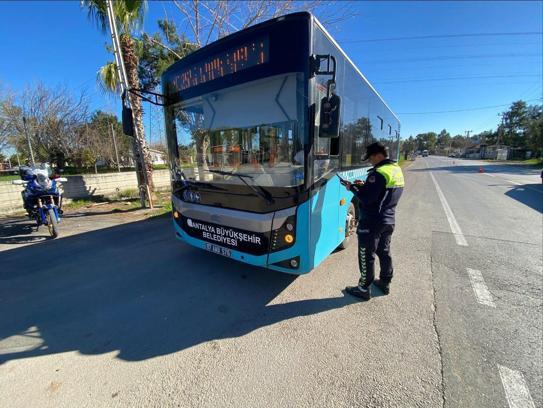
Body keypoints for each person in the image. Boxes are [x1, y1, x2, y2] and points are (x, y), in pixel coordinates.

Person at [341, 142, 405, 301]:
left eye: (370, 158)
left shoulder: (378, 173)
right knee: (384, 251)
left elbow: (367, 198)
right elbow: (382, 192)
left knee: (366, 254)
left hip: (372, 222)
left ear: (378, 155)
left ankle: (363, 289)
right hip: (388, 220)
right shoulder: (396, 170)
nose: (370, 162)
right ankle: (385, 282)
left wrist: (352, 187)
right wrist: (365, 186)